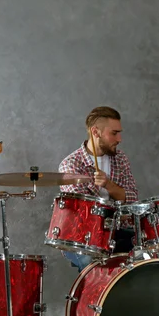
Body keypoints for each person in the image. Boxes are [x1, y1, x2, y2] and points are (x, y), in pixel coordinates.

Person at [58, 106, 139, 271]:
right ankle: (95, 295)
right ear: (96, 132)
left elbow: (132, 198)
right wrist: (118, 205)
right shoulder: (71, 164)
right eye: (114, 133)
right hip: (83, 237)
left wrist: (108, 185)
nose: (120, 139)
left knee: (148, 256)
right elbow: (83, 213)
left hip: (118, 232)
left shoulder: (120, 159)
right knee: (95, 264)